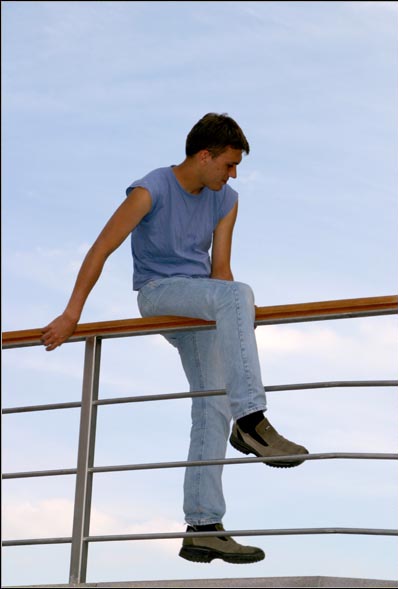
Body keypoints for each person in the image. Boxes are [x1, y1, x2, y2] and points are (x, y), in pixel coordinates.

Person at [41, 112, 308, 565]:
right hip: (160, 294)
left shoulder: (226, 200)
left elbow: (221, 272)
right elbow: (100, 249)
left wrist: (235, 318)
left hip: (203, 301)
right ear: (204, 156)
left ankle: (203, 527)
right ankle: (252, 422)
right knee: (237, 299)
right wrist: (72, 315)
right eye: (228, 164)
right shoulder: (151, 190)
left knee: (212, 403)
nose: (233, 174)